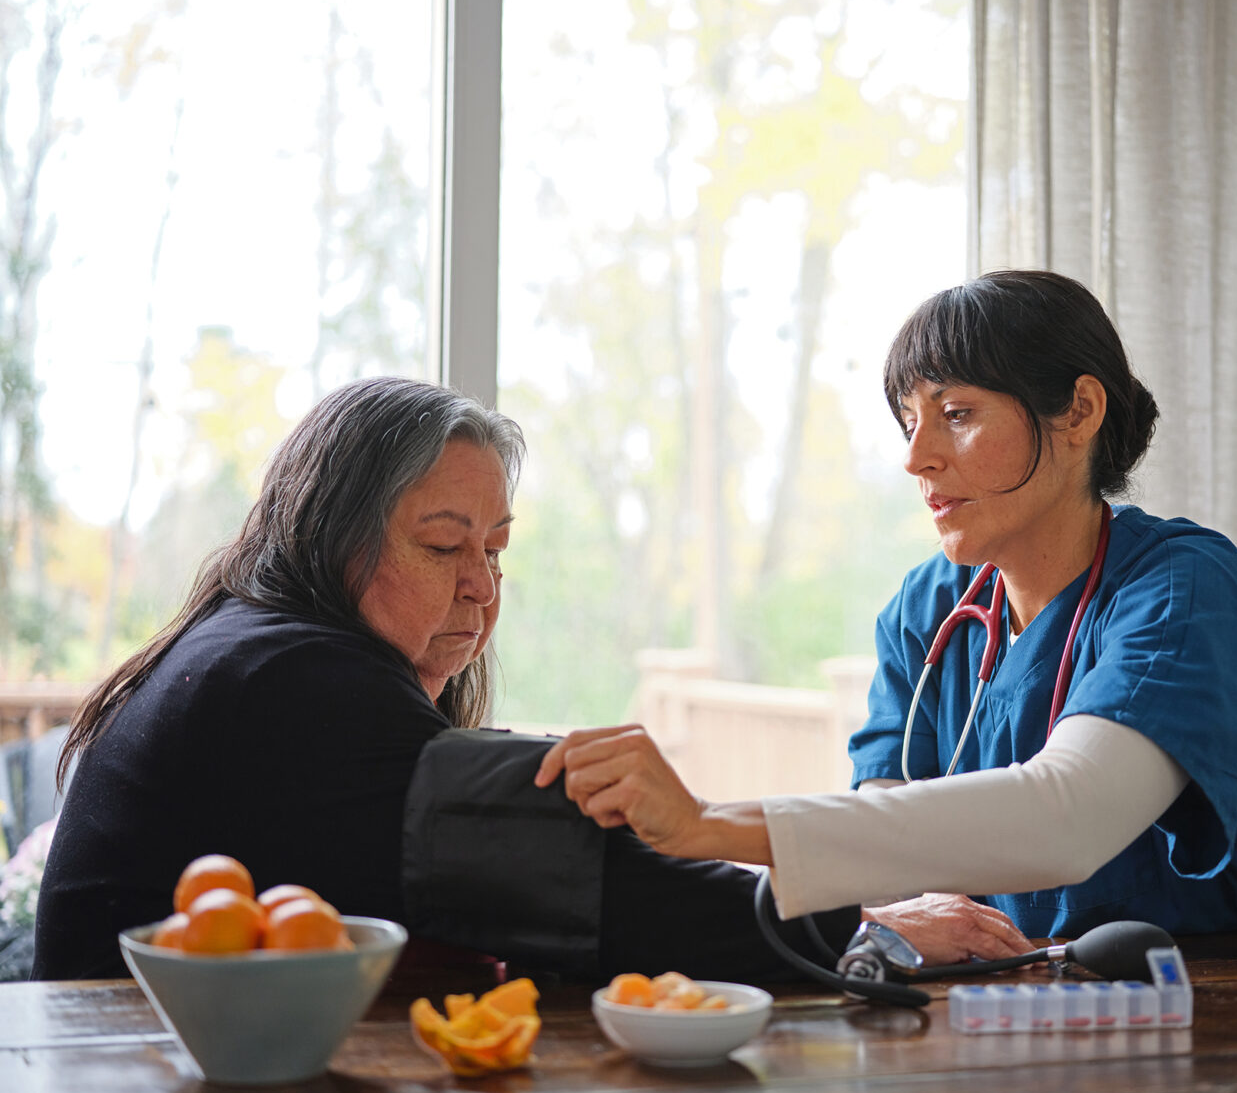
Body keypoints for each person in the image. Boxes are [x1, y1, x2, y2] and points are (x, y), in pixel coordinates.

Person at [537, 270, 1237, 958]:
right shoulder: (930, 605)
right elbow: (886, 823)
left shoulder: (1184, 589)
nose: (917, 458)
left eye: (956, 412)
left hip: (1211, 1004)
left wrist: (708, 822)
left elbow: (1070, 817)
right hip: (998, 998)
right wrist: (894, 915)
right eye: (910, 421)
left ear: (1079, 411)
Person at [33, 377, 867, 980]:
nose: (481, 584)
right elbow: (593, 895)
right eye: (442, 547)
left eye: (495, 550)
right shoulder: (296, 682)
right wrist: (862, 928)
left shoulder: (259, 647)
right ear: (331, 538)